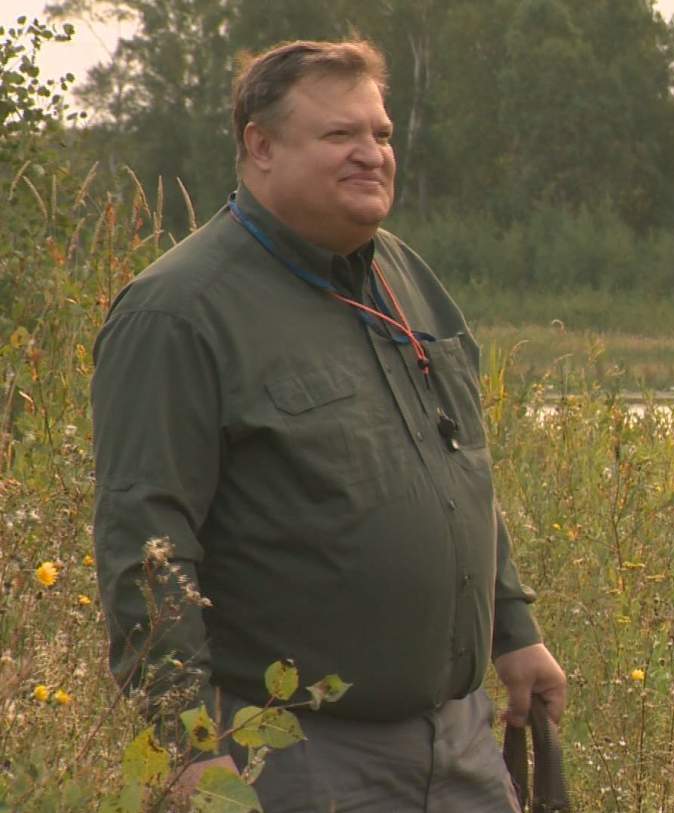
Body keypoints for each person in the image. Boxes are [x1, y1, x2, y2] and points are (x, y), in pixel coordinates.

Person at [91, 39, 566, 811]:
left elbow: (456, 465)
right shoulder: (177, 313)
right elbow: (145, 541)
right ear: (261, 147)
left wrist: (513, 629)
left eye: (380, 134)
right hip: (292, 759)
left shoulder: (404, 276)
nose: (370, 154)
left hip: (459, 742)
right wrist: (185, 744)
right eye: (340, 135)